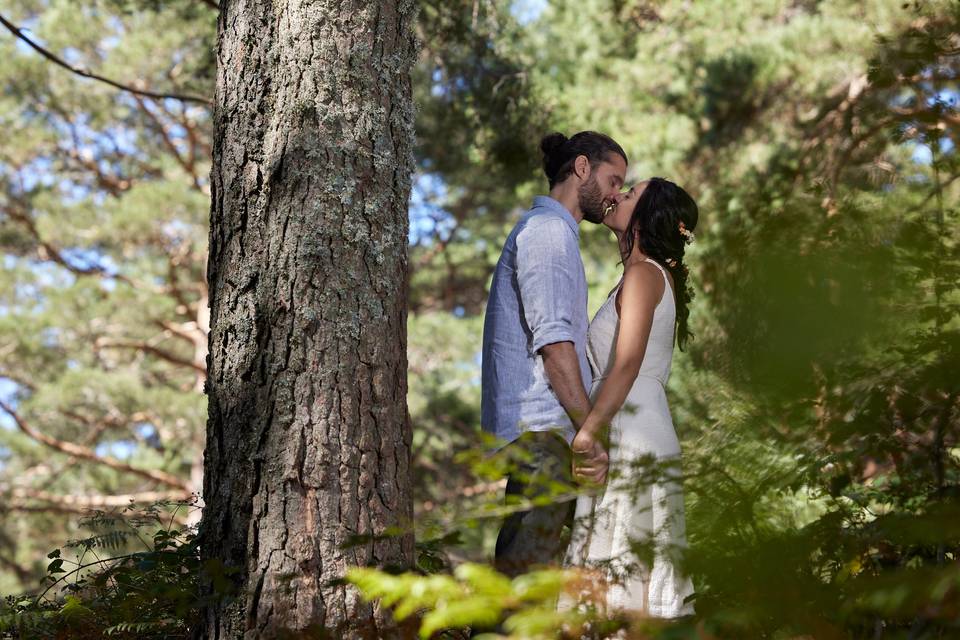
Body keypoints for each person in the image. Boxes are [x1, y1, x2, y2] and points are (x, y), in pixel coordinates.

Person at [480, 131, 627, 579]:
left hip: (546, 435)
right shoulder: (547, 232)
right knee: (521, 583)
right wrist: (589, 431)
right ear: (582, 168)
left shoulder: (554, 233)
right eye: (613, 179)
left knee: (531, 582)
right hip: (544, 435)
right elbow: (555, 346)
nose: (616, 194)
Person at [560, 177, 698, 618]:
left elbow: (627, 363)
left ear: (647, 215)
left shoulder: (643, 274)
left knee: (620, 575)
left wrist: (589, 432)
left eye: (631, 192)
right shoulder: (646, 275)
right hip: (637, 421)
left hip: (631, 427)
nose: (617, 195)